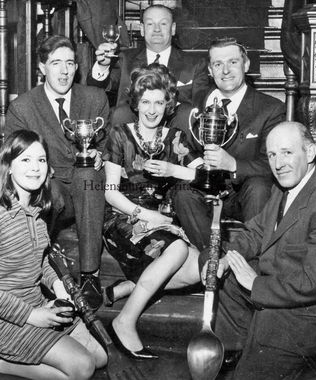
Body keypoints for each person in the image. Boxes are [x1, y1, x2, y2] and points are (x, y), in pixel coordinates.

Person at [200, 121, 316, 379]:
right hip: (281, 292)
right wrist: (225, 258)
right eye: (272, 155)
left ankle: (266, 350)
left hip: (314, 315)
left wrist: (256, 285)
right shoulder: (283, 189)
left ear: (309, 153)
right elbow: (255, 233)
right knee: (213, 262)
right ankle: (243, 345)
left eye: (287, 152)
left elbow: (314, 283)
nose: (278, 163)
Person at [0, 130, 107, 380]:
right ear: (8, 167)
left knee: (100, 357)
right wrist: (31, 316)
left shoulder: (37, 212)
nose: (35, 168)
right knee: (82, 368)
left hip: (37, 305)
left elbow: (40, 261)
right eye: (26, 160)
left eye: (41, 160)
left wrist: (56, 284)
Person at [101, 63, 202, 359]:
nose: (152, 109)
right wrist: (151, 217)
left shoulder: (177, 139)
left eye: (159, 101)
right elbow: (109, 194)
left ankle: (127, 287)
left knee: (199, 268)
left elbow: (208, 177)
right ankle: (125, 321)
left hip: (162, 220)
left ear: (168, 104)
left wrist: (175, 170)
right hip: (124, 218)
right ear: (136, 102)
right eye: (145, 101)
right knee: (178, 252)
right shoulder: (120, 134)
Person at [5, 35, 110, 311]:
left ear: (77, 67)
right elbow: (14, 156)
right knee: (47, 189)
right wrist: (37, 165)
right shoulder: (23, 107)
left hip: (88, 188)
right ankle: (39, 275)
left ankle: (90, 276)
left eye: (70, 63)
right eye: (55, 63)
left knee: (88, 176)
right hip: (51, 188)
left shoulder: (95, 97)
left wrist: (101, 154)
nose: (64, 71)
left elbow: (109, 144)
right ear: (41, 67)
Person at [173, 37, 286, 251]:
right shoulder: (195, 107)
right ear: (210, 69)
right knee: (181, 192)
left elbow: (273, 163)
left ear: (246, 64)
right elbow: (186, 147)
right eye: (218, 64)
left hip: (245, 193)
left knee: (259, 187)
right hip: (204, 188)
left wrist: (232, 164)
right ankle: (214, 258)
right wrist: (190, 158)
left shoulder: (270, 108)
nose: (225, 70)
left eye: (232, 62)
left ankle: (254, 263)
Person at [87, 4, 208, 118]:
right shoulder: (124, 59)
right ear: (142, 29)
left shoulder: (195, 63)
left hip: (176, 131)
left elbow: (200, 107)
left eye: (163, 24)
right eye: (150, 24)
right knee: (121, 112)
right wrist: (103, 65)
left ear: (173, 29)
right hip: (131, 128)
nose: (157, 29)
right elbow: (96, 88)